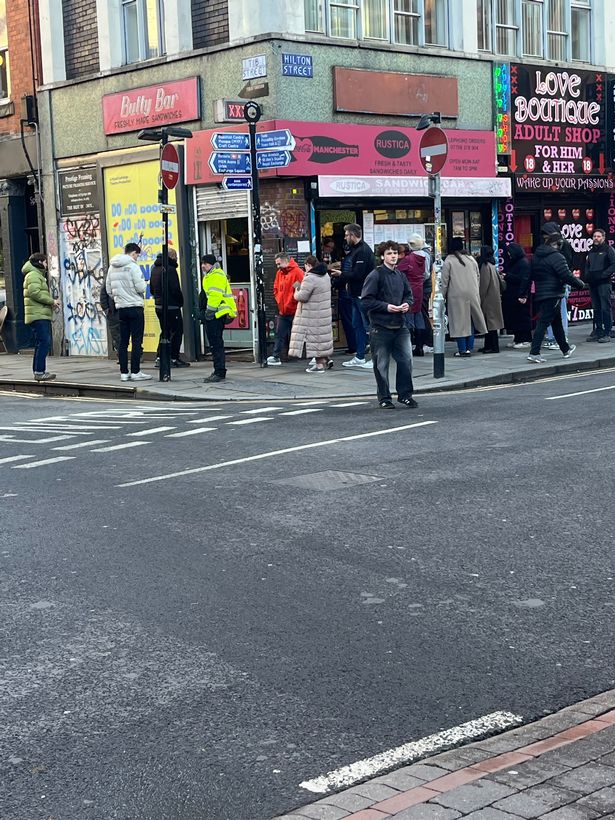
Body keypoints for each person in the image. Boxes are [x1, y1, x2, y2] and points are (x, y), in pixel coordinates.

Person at [361, 240, 417, 410]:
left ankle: (405, 395)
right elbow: (366, 301)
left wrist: (407, 304)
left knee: (406, 360)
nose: (393, 256)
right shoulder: (375, 275)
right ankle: (384, 398)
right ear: (382, 256)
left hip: (400, 325)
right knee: (381, 365)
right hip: (380, 327)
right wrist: (386, 307)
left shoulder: (400, 275)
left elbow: (409, 295)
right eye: (389, 253)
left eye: (395, 253)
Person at [521, 230, 586, 363]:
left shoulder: (537, 256)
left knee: (556, 323)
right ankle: (534, 352)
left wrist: (523, 293)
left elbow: (528, 275)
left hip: (541, 293)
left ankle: (565, 349)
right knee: (543, 323)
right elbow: (566, 275)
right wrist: (580, 284)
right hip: (553, 293)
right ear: (557, 244)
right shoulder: (557, 257)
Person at [331, 223, 375, 369]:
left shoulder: (363, 251)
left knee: (368, 326)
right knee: (357, 325)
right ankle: (360, 356)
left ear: (353, 235)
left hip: (363, 294)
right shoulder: (356, 250)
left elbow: (358, 274)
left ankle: (375, 358)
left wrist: (341, 274)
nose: (345, 238)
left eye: (346, 235)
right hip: (355, 293)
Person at [106, 242, 152, 382]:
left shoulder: (112, 267)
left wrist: (119, 298)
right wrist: (144, 284)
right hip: (135, 307)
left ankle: (124, 373)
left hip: (121, 309)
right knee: (137, 340)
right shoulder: (133, 266)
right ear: (133, 253)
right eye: (137, 255)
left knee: (123, 342)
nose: (137, 257)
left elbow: (108, 289)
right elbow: (141, 288)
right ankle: (136, 372)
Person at [441, 237, 487, 356]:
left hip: (456, 295)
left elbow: (444, 281)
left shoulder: (449, 260)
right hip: (472, 293)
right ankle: (469, 348)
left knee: (459, 322)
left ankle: (462, 349)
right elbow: (478, 277)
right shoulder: (471, 259)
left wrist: (442, 296)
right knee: (470, 321)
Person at [288, 255, 334, 373]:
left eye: (305, 267)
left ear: (308, 265)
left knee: (315, 339)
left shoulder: (310, 278)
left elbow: (302, 297)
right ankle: (326, 359)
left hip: (312, 314)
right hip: (323, 312)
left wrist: (296, 289)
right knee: (321, 338)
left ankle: (319, 366)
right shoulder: (325, 275)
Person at [149, 248, 190, 367]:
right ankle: (173, 358)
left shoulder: (154, 269)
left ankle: (160, 357)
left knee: (165, 332)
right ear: (172, 257)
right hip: (171, 306)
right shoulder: (170, 269)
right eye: (175, 256)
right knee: (176, 332)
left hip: (159, 305)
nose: (176, 258)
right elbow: (175, 289)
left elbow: (151, 289)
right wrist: (180, 301)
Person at [22, 252, 59, 381]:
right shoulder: (33, 275)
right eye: (45, 262)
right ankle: (39, 371)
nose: (46, 264)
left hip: (38, 313)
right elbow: (35, 293)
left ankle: (38, 371)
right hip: (38, 315)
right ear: (39, 262)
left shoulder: (35, 274)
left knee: (41, 342)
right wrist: (52, 301)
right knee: (44, 342)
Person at [201, 254, 237, 382]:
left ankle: (219, 372)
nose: (202, 266)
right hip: (215, 314)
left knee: (216, 344)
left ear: (211, 264)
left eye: (205, 263)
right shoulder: (211, 275)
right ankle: (218, 370)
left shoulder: (215, 276)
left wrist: (209, 312)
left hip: (216, 314)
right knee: (215, 344)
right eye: (202, 263)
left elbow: (215, 296)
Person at [266, 253, 304, 366]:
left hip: (294, 309)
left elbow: (301, 288)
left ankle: (312, 356)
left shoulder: (297, 272)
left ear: (286, 261)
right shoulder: (280, 273)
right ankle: (276, 356)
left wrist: (292, 300)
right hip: (283, 310)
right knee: (280, 334)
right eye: (277, 264)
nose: (277, 266)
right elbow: (276, 288)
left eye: (279, 263)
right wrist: (279, 299)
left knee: (300, 334)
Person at [584, 228, 615, 343]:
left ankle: (607, 332)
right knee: (596, 308)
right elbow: (587, 265)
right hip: (593, 284)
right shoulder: (591, 251)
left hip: (604, 283)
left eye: (598, 236)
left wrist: (603, 275)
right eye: (594, 236)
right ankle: (598, 331)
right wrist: (587, 276)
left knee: (605, 308)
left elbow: (613, 264)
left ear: (603, 238)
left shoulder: (609, 249)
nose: (596, 238)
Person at [397, 242, 426, 355]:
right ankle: (420, 347)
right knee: (418, 315)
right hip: (419, 288)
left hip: (409, 288)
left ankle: (408, 346)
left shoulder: (408, 259)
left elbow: (397, 271)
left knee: (408, 317)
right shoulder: (422, 258)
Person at [502, 243, 532, 348]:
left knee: (522, 317)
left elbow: (524, 279)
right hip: (512, 294)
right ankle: (518, 338)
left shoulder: (523, 263)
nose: (509, 255)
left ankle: (526, 339)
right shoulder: (515, 262)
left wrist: (523, 295)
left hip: (519, 294)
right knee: (515, 317)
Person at [477, 245, 505, 353]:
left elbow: (484, 285)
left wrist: (480, 298)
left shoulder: (485, 266)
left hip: (488, 299)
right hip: (494, 298)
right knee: (491, 324)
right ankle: (489, 345)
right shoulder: (492, 265)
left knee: (490, 324)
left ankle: (493, 347)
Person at [408, 233, 433, 354]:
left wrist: (416, 280)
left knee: (421, 314)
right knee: (421, 314)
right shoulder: (425, 252)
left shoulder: (423, 254)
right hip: (423, 287)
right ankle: (423, 342)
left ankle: (427, 342)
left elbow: (425, 274)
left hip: (422, 288)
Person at [330, 242, 357, 355]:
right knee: (355, 320)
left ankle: (353, 346)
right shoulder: (356, 257)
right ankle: (360, 344)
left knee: (348, 321)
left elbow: (344, 277)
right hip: (353, 293)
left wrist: (334, 283)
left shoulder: (347, 260)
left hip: (345, 294)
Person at [99, 272, 121, 361]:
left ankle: (122, 355)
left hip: (119, 309)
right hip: (114, 311)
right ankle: (121, 355)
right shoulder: (109, 279)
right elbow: (103, 295)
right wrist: (106, 309)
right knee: (117, 335)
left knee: (121, 334)